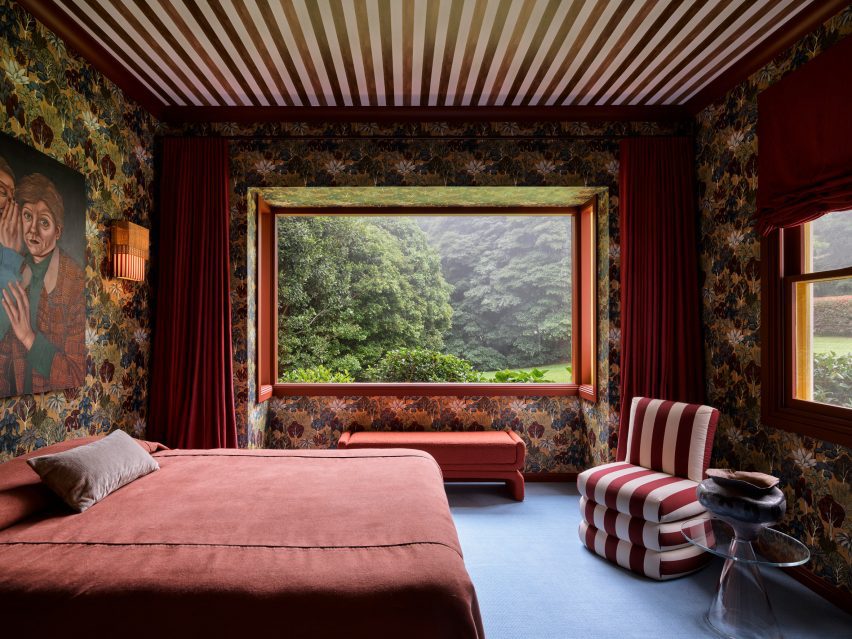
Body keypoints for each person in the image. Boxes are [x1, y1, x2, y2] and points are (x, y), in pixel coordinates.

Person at [0, 173, 84, 396]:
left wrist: (28, 336)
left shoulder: (74, 281)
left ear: (57, 231)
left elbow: (75, 375)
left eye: (44, 222)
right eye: (27, 216)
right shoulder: (13, 268)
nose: (32, 231)